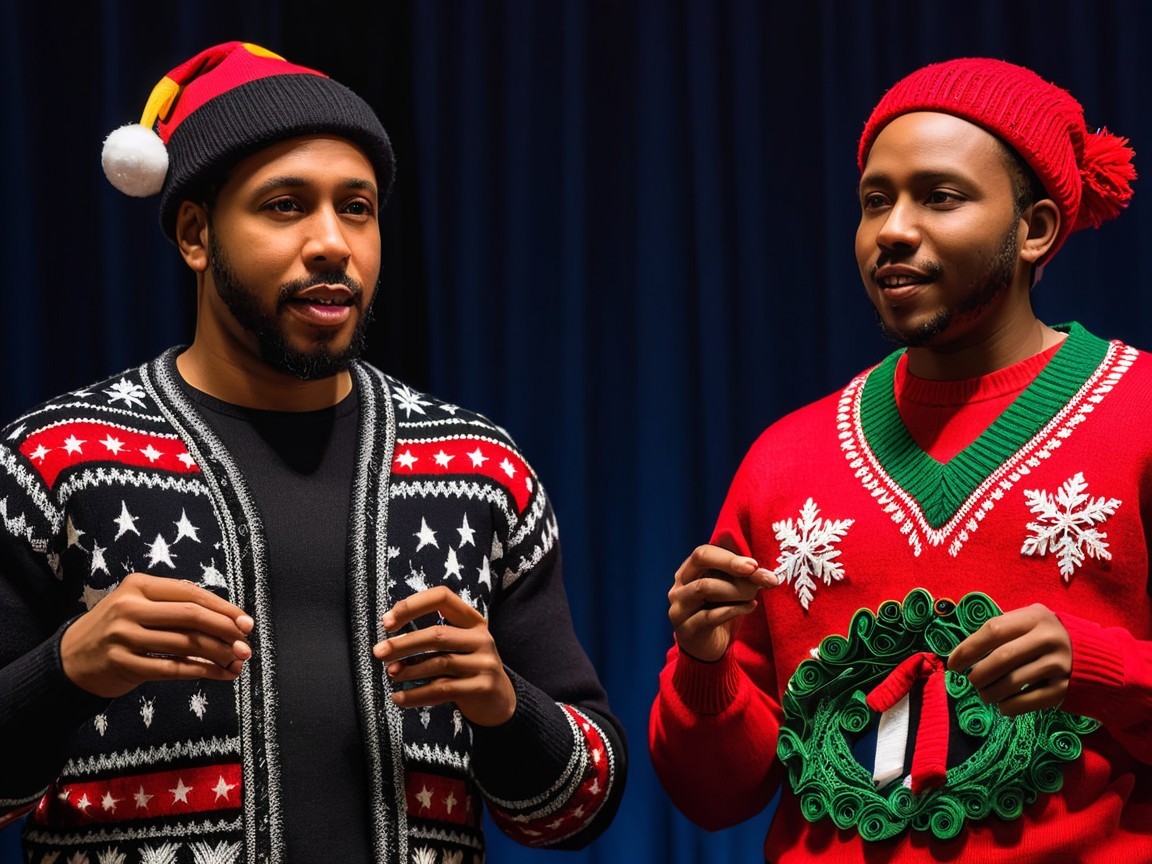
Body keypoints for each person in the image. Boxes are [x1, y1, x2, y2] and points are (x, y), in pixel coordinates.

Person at [0, 41, 624, 864]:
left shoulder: (479, 469)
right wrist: (63, 673)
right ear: (195, 233)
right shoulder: (56, 461)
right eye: (286, 205)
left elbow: (578, 811)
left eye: (356, 207)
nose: (332, 242)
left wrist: (507, 708)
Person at [649, 57, 1147, 863]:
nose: (892, 230)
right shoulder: (784, 461)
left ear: (1036, 229)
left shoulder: (1139, 415)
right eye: (875, 201)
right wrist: (705, 667)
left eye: (939, 197)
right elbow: (715, 798)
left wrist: (1104, 669)